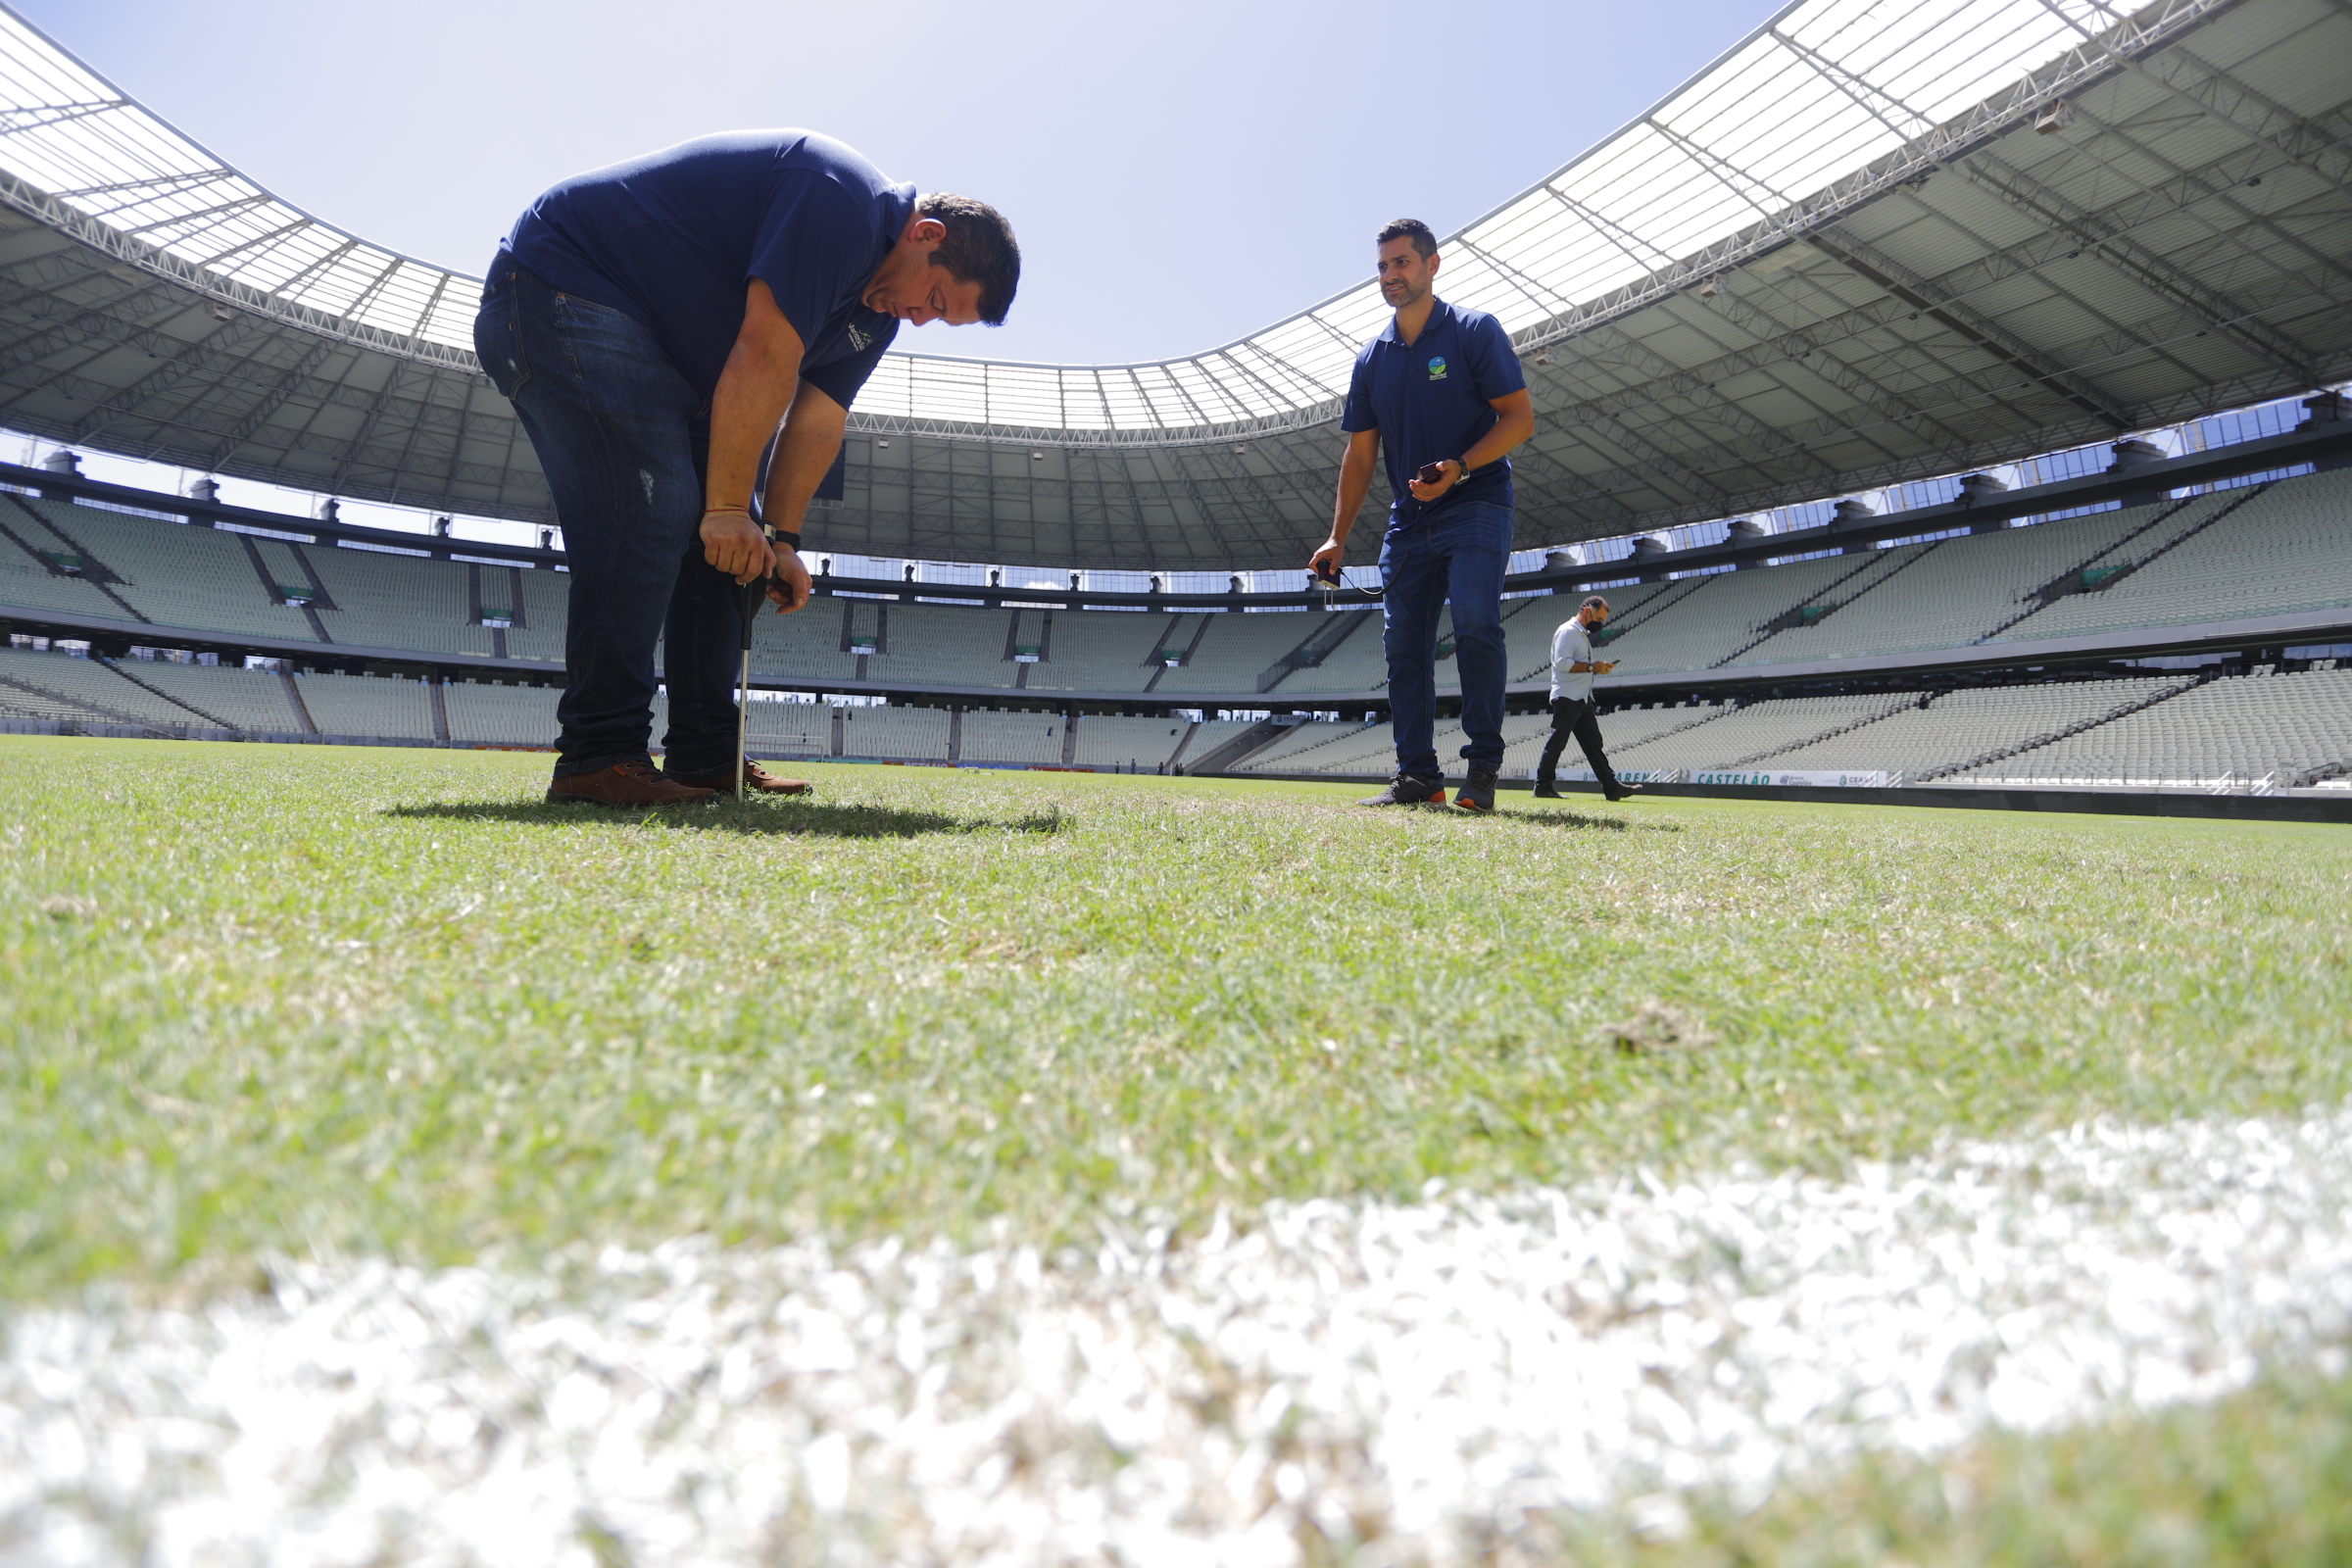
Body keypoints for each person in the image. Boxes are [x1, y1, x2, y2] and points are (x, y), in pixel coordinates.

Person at [475, 131, 1019, 806]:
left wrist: (781, 540)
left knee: (738, 552)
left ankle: (706, 757)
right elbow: (764, 354)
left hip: (661, 350)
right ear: (925, 233)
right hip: (562, 285)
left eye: (939, 320)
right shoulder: (840, 199)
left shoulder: (873, 318)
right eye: (934, 300)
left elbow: (817, 421)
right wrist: (729, 508)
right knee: (657, 507)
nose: (919, 319)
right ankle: (599, 754)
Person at [1307, 219, 1537, 812]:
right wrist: (1336, 537)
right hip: (1408, 521)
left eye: (1402, 263)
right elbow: (1359, 457)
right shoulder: (1371, 358)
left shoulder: (1473, 330)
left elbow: (1519, 420)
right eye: (1383, 267)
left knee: (1477, 623)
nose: (1390, 276)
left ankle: (1482, 768)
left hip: (1478, 500)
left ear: (1433, 265)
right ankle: (1418, 777)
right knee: (1403, 648)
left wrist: (1459, 467)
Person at [1534, 595, 1642, 803]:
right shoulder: (1567, 631)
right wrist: (1594, 667)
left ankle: (1612, 787)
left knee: (1594, 744)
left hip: (1582, 698)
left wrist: (1598, 668)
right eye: (1599, 619)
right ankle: (1543, 786)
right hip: (1568, 696)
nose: (1600, 624)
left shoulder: (1581, 634)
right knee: (1557, 742)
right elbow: (1562, 663)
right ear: (1587, 612)